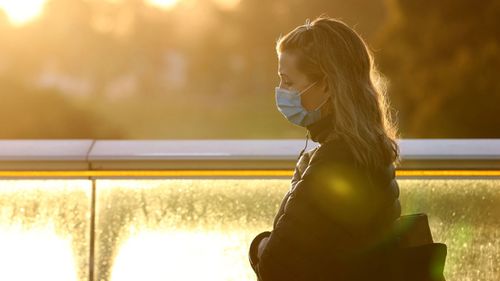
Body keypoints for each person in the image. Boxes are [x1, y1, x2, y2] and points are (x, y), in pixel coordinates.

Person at [248, 16, 446, 281]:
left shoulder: (334, 163)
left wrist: (259, 245)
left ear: (327, 86)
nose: (281, 91)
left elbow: (276, 266)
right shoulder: (370, 150)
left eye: (289, 81)